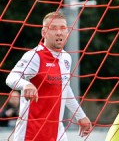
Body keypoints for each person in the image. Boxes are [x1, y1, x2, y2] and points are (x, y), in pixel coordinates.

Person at [5, 11, 92, 141]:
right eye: (53, 28)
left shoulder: (66, 58)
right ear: (44, 33)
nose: (59, 32)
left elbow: (65, 89)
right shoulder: (34, 56)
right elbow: (11, 78)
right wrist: (26, 84)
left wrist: (80, 116)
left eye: (63, 28)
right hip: (30, 133)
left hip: (57, 134)